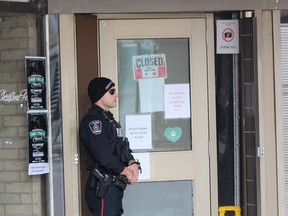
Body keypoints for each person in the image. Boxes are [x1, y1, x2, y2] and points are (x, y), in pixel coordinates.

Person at [79, 77, 141, 216]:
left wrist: (133, 164)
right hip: (103, 188)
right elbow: (103, 156)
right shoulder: (94, 122)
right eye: (111, 91)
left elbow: (123, 148)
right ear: (100, 96)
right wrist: (125, 170)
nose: (116, 95)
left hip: (114, 188)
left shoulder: (109, 120)